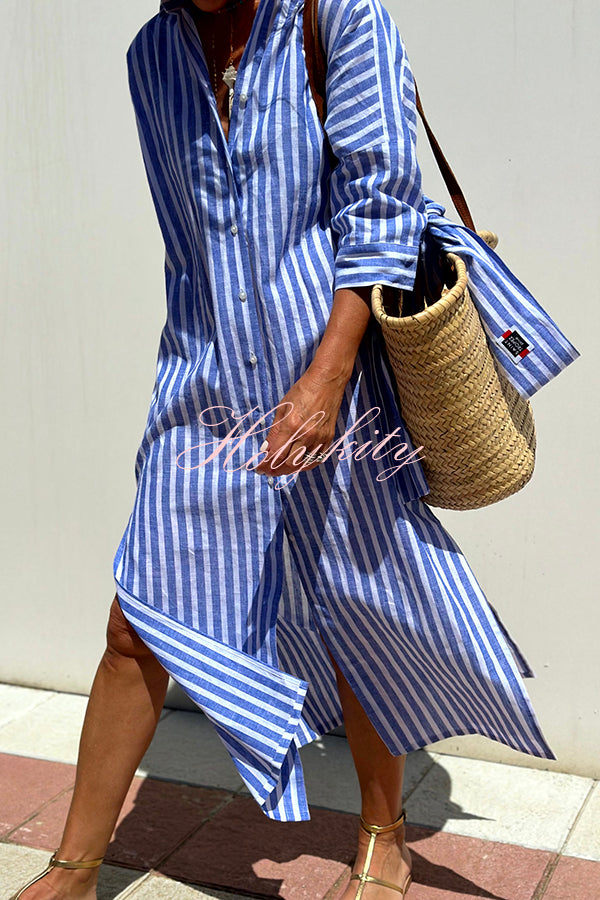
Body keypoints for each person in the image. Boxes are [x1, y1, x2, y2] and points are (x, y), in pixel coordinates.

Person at [14, 0, 578, 896]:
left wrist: (327, 375)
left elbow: (382, 209)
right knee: (137, 622)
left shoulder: (340, 17)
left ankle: (384, 835)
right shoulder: (152, 56)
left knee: (356, 607)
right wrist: (182, 385)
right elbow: (188, 246)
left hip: (336, 377)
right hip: (206, 389)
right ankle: (74, 868)